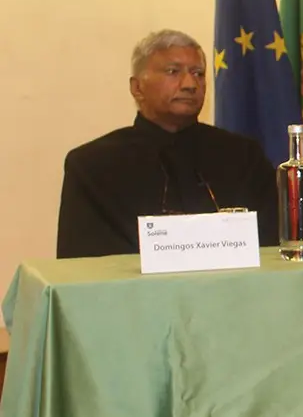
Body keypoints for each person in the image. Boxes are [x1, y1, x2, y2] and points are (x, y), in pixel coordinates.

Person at [56, 29, 279, 259]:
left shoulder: (242, 156)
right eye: (173, 72)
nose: (190, 84)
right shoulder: (93, 166)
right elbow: (82, 265)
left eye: (198, 73)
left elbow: (274, 247)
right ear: (137, 88)